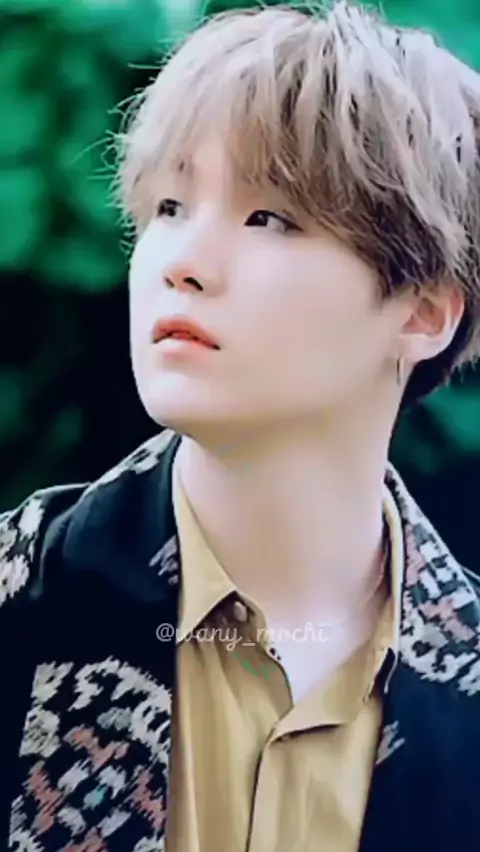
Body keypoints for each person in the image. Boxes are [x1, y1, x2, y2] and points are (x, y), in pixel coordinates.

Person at [2, 0, 480, 849]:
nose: (183, 263)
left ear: (422, 311)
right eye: (169, 207)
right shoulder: (21, 601)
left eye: (270, 218)